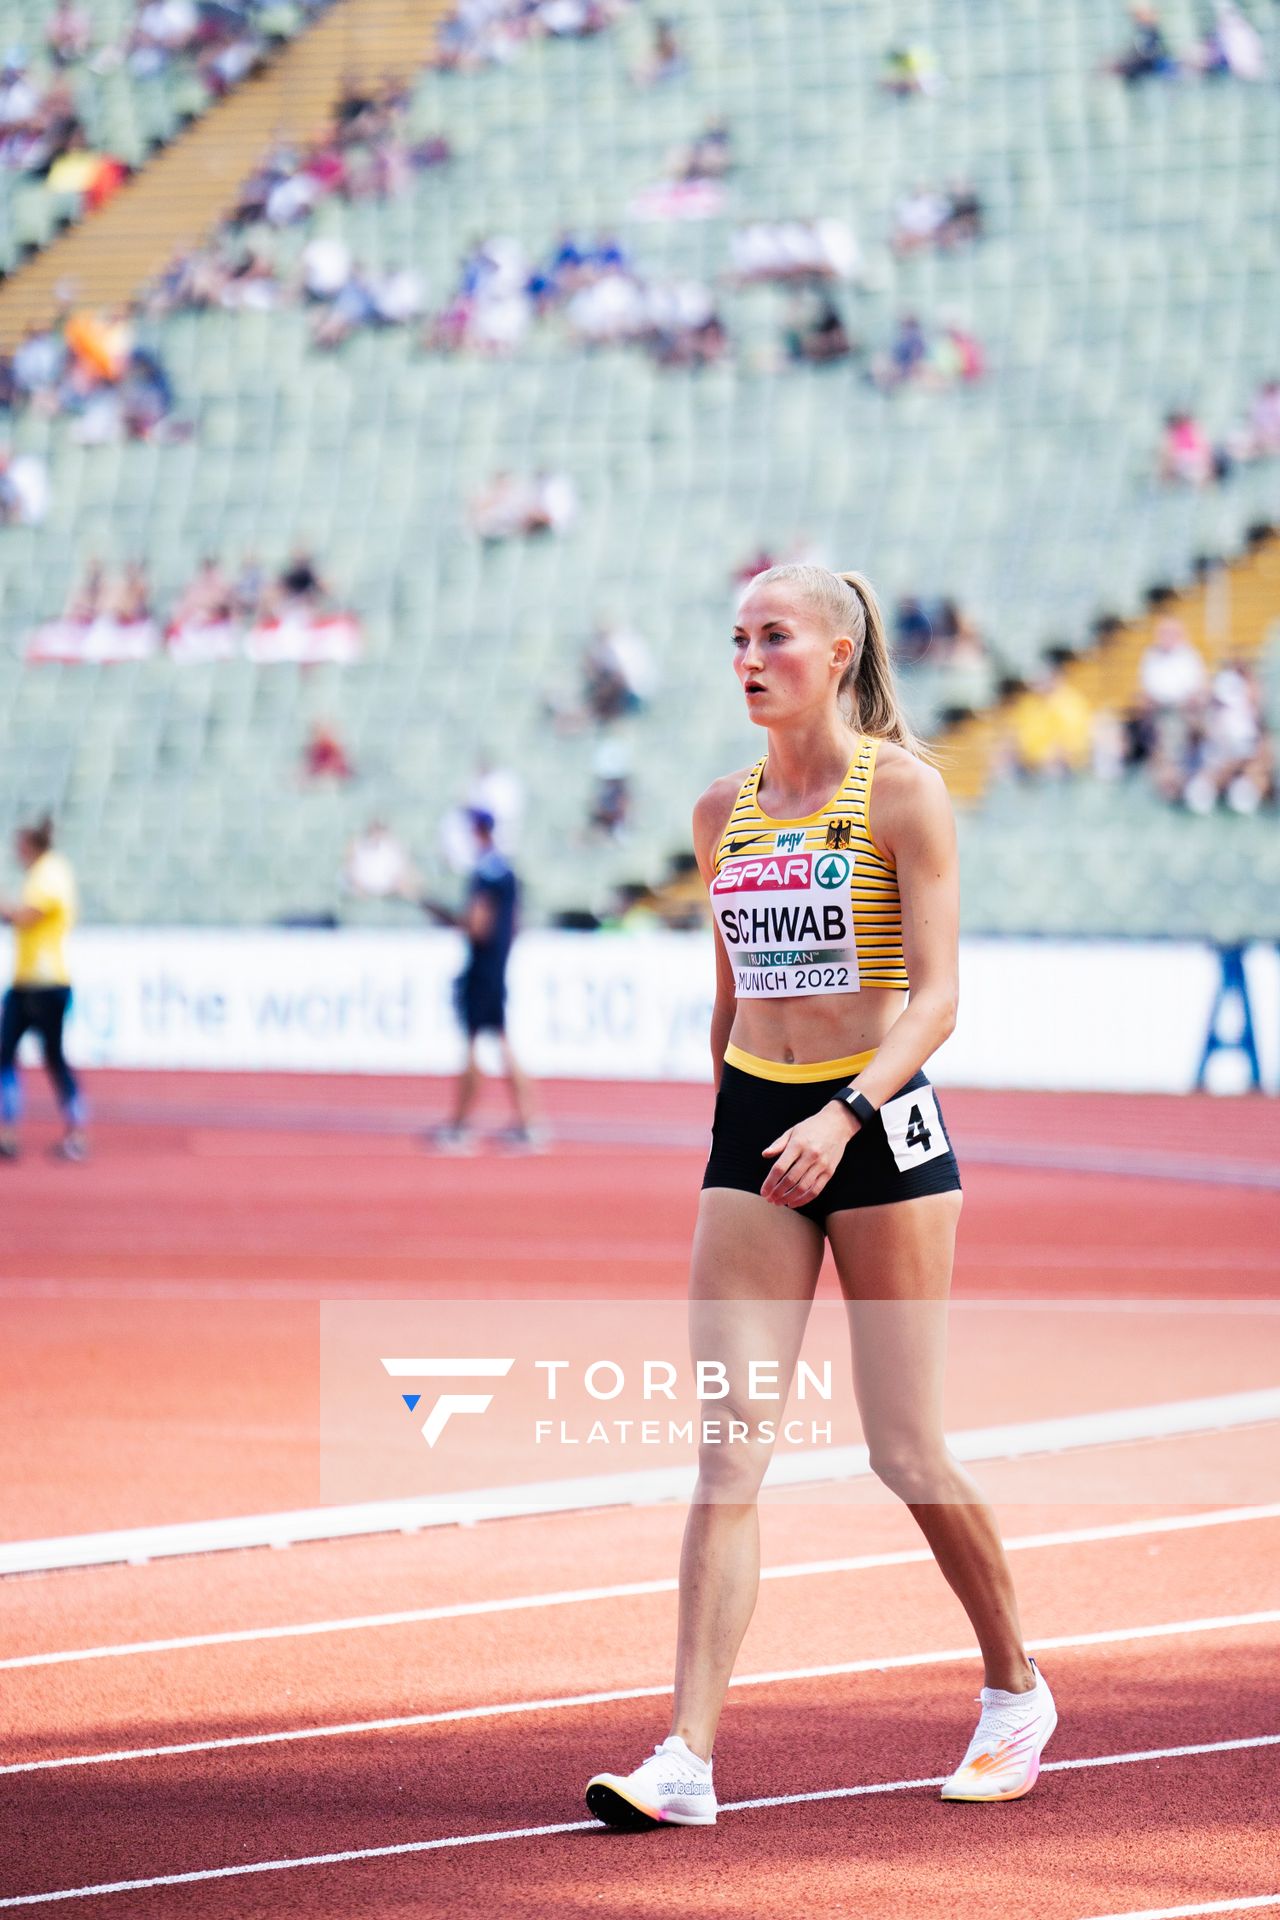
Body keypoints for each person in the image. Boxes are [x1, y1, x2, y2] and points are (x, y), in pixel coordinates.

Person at [584, 563, 1055, 1829]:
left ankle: (1013, 1690)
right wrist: (742, 1122)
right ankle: (684, 1757)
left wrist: (842, 1116)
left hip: (875, 1120)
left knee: (901, 1446)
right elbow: (731, 996)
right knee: (725, 1456)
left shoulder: (901, 792)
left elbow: (938, 999)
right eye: (734, 637)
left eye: (772, 636)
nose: (747, 656)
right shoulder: (715, 813)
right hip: (755, 1122)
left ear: (836, 651)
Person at [427, 809, 539, 1151]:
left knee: (476, 1044)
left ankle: (461, 1125)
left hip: (482, 968)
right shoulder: (506, 872)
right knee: (501, 1043)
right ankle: (528, 1122)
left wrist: (438, 911)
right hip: (497, 965)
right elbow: (515, 923)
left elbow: (476, 925)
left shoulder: (485, 874)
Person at [1, 815, 86, 1161]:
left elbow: (27, 916)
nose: (16, 854)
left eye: (19, 847)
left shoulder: (51, 872)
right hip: (26, 982)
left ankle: (76, 1132)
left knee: (54, 1058)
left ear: (31, 845)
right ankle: (8, 1132)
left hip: (47, 982)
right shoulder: (42, 874)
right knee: (5, 1056)